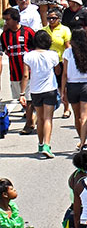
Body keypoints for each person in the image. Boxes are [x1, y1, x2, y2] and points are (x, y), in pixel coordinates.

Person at [20, 30, 59, 158]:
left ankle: (41, 143)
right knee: (48, 118)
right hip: (50, 89)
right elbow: (57, 70)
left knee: (40, 118)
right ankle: (47, 145)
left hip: (35, 90)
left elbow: (26, 75)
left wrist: (22, 93)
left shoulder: (28, 56)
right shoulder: (52, 55)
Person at [0, 8, 37, 135]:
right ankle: (32, 116)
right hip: (14, 73)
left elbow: (37, 47)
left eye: (8, 19)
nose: (6, 23)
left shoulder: (28, 32)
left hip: (29, 72)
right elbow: (5, 50)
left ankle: (29, 123)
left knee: (28, 98)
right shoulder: (4, 35)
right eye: (4, 20)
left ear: (15, 19)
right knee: (20, 99)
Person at [61, 29, 87, 149]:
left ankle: (81, 140)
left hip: (72, 86)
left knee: (77, 116)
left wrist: (62, 91)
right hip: (86, 84)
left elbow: (64, 73)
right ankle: (83, 141)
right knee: (85, 116)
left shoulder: (68, 52)